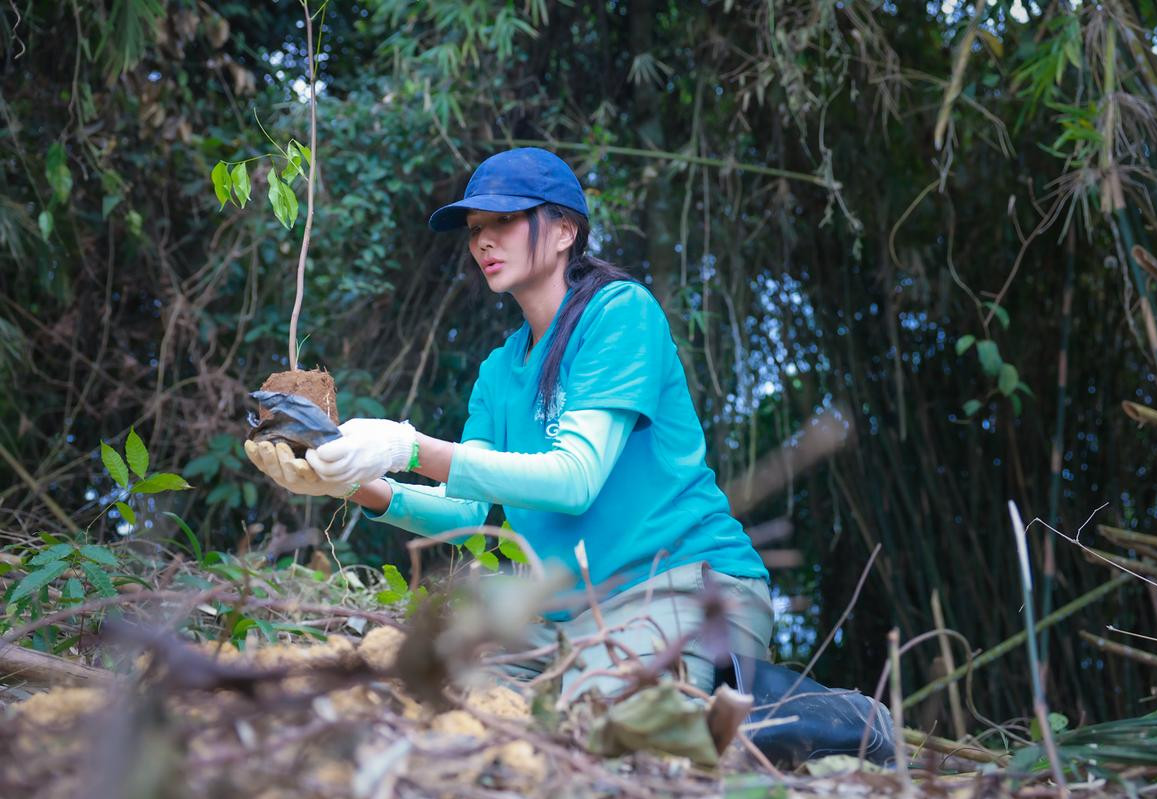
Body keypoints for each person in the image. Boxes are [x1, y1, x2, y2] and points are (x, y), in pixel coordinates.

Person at [244, 147, 773, 695]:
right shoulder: (499, 370)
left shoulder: (620, 314)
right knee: (433, 703)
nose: (483, 241)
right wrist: (349, 480)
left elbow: (575, 480)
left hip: (680, 590)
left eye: (504, 220)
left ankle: (834, 724)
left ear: (565, 229)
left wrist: (408, 448)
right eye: (475, 228)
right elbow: (468, 509)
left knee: (602, 734)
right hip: (565, 621)